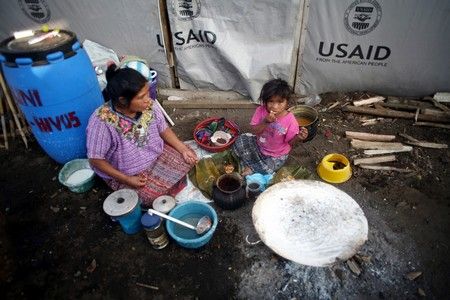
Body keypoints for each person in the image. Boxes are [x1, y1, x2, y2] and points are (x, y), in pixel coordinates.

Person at [86, 64, 198, 206]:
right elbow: (95, 160)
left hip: (155, 155)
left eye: (147, 92)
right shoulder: (101, 121)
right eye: (141, 96)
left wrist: (182, 148)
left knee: (189, 157)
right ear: (122, 100)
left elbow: (163, 129)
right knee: (148, 199)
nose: (148, 98)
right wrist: (126, 179)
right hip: (126, 171)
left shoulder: (149, 105)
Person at [232, 78, 307, 176]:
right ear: (265, 100)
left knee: (268, 168)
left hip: (276, 155)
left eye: (280, 102)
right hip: (259, 145)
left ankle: (252, 167)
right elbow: (254, 131)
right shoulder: (261, 110)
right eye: (271, 101)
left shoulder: (290, 120)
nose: (275, 106)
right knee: (240, 139)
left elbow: (290, 142)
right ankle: (254, 164)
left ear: (287, 102)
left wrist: (298, 137)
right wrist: (265, 122)